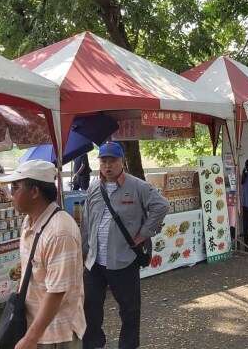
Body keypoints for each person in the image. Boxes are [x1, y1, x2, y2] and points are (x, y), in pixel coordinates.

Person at [82, 142, 169, 349]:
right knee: (90, 309)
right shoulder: (94, 187)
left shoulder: (137, 186)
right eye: (104, 161)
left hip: (123, 260)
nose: (108, 165)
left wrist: (143, 234)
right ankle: (93, 344)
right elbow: (86, 221)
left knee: (129, 310)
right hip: (94, 262)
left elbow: (162, 206)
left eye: (112, 160)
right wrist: (83, 252)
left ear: (122, 161)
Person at [0, 160, 85, 348]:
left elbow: (57, 292)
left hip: (56, 333)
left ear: (35, 192)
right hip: (33, 326)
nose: (10, 194)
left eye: (15, 187)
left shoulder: (60, 232)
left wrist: (30, 338)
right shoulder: (29, 221)